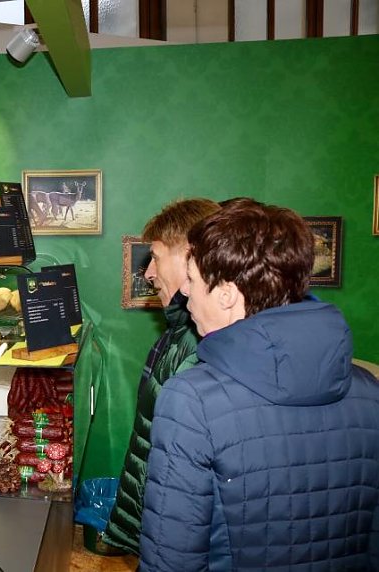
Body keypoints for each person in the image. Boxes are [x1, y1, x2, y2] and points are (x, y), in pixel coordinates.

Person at [139, 199, 379, 570]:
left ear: (226, 293)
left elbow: (172, 558)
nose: (186, 297)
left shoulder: (191, 400)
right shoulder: (370, 392)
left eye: (194, 282)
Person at [103, 198, 221, 555]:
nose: (149, 272)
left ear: (190, 255)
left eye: (155, 256)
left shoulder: (200, 342)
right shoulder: (179, 333)